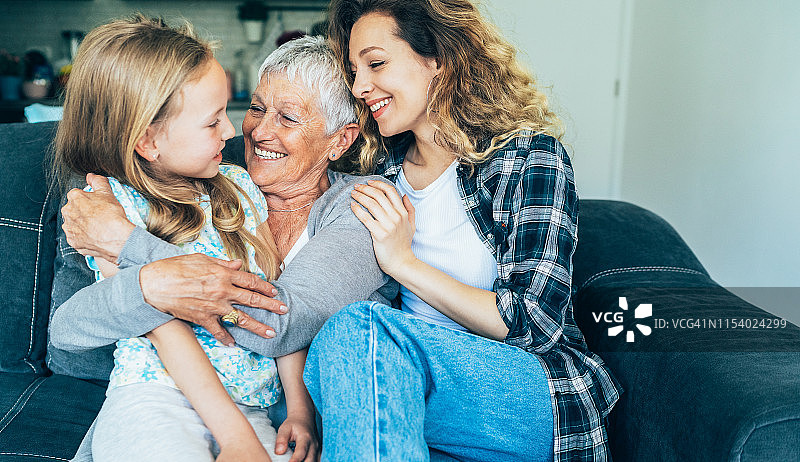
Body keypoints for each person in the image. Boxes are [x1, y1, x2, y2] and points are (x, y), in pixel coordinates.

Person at [49, 31, 396, 460]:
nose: (254, 131)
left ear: (340, 139)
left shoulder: (353, 205)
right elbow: (69, 329)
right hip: (162, 396)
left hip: (258, 408)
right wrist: (146, 282)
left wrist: (131, 248)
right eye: (256, 108)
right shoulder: (187, 181)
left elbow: (282, 320)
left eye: (288, 118)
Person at [299, 0, 623, 461]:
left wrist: (403, 263)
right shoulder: (374, 173)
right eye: (353, 72)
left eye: (375, 64)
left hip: (530, 394)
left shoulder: (528, 157)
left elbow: (533, 323)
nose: (359, 87)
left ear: (438, 59)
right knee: (333, 356)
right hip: (405, 394)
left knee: (358, 333)